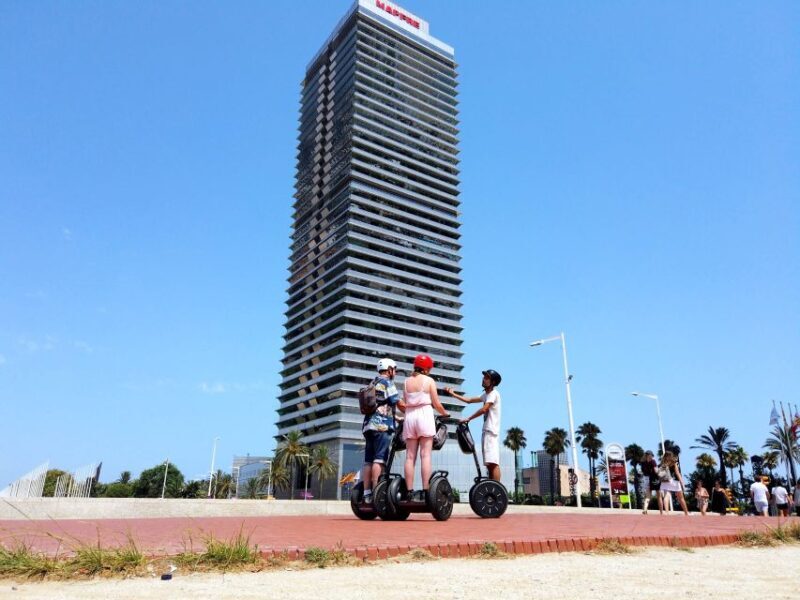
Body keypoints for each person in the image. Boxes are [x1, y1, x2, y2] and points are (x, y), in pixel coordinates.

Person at [400, 354, 449, 502]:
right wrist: (445, 413)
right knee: (425, 455)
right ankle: (426, 491)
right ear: (426, 369)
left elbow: (404, 402)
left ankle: (409, 492)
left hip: (410, 416)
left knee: (410, 457)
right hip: (424, 415)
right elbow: (437, 404)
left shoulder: (406, 382)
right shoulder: (429, 381)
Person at [445, 369, 502, 482]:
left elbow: (484, 409)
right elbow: (469, 400)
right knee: (489, 464)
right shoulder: (486, 395)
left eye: (487, 378)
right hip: (487, 431)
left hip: (491, 432)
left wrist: (469, 418)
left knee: (493, 463)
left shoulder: (493, 394)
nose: (483, 379)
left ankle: (497, 488)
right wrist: (453, 394)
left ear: (493, 382)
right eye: (484, 377)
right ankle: (492, 486)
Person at [360, 358, 400, 504]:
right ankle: (377, 491)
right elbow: (397, 401)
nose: (395, 373)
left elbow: (380, 405)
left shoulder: (373, 382)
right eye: (394, 369)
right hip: (382, 427)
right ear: (389, 370)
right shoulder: (387, 382)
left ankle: (366, 493)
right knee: (379, 459)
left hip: (368, 426)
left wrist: (397, 418)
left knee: (368, 461)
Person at [657, 451, 689, 515]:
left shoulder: (661, 464)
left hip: (665, 482)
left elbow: (659, 474)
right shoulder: (673, 463)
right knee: (681, 498)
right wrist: (682, 483)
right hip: (674, 481)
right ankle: (686, 513)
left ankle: (666, 512)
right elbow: (677, 473)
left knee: (666, 496)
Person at [639, 450, 661, 514]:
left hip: (646, 479)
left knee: (648, 496)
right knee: (659, 495)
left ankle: (645, 509)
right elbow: (656, 471)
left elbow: (643, 471)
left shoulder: (643, 462)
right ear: (650, 455)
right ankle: (661, 511)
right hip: (653, 479)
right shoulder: (653, 461)